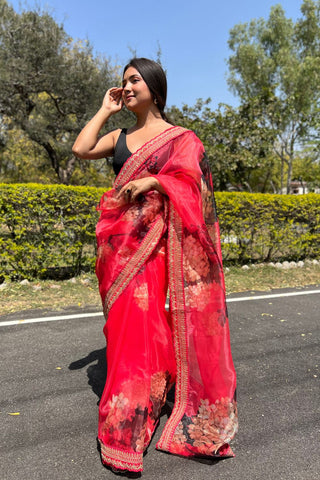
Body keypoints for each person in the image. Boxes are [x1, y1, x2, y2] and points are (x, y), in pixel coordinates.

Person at [72, 57, 238, 474]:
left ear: (155, 86)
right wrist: (106, 110)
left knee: (149, 324)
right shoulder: (121, 135)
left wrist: (155, 181)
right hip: (119, 248)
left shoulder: (179, 138)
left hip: (156, 248)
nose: (126, 87)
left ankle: (131, 414)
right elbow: (81, 149)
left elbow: (190, 186)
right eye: (122, 82)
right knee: (125, 325)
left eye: (133, 80)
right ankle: (141, 395)